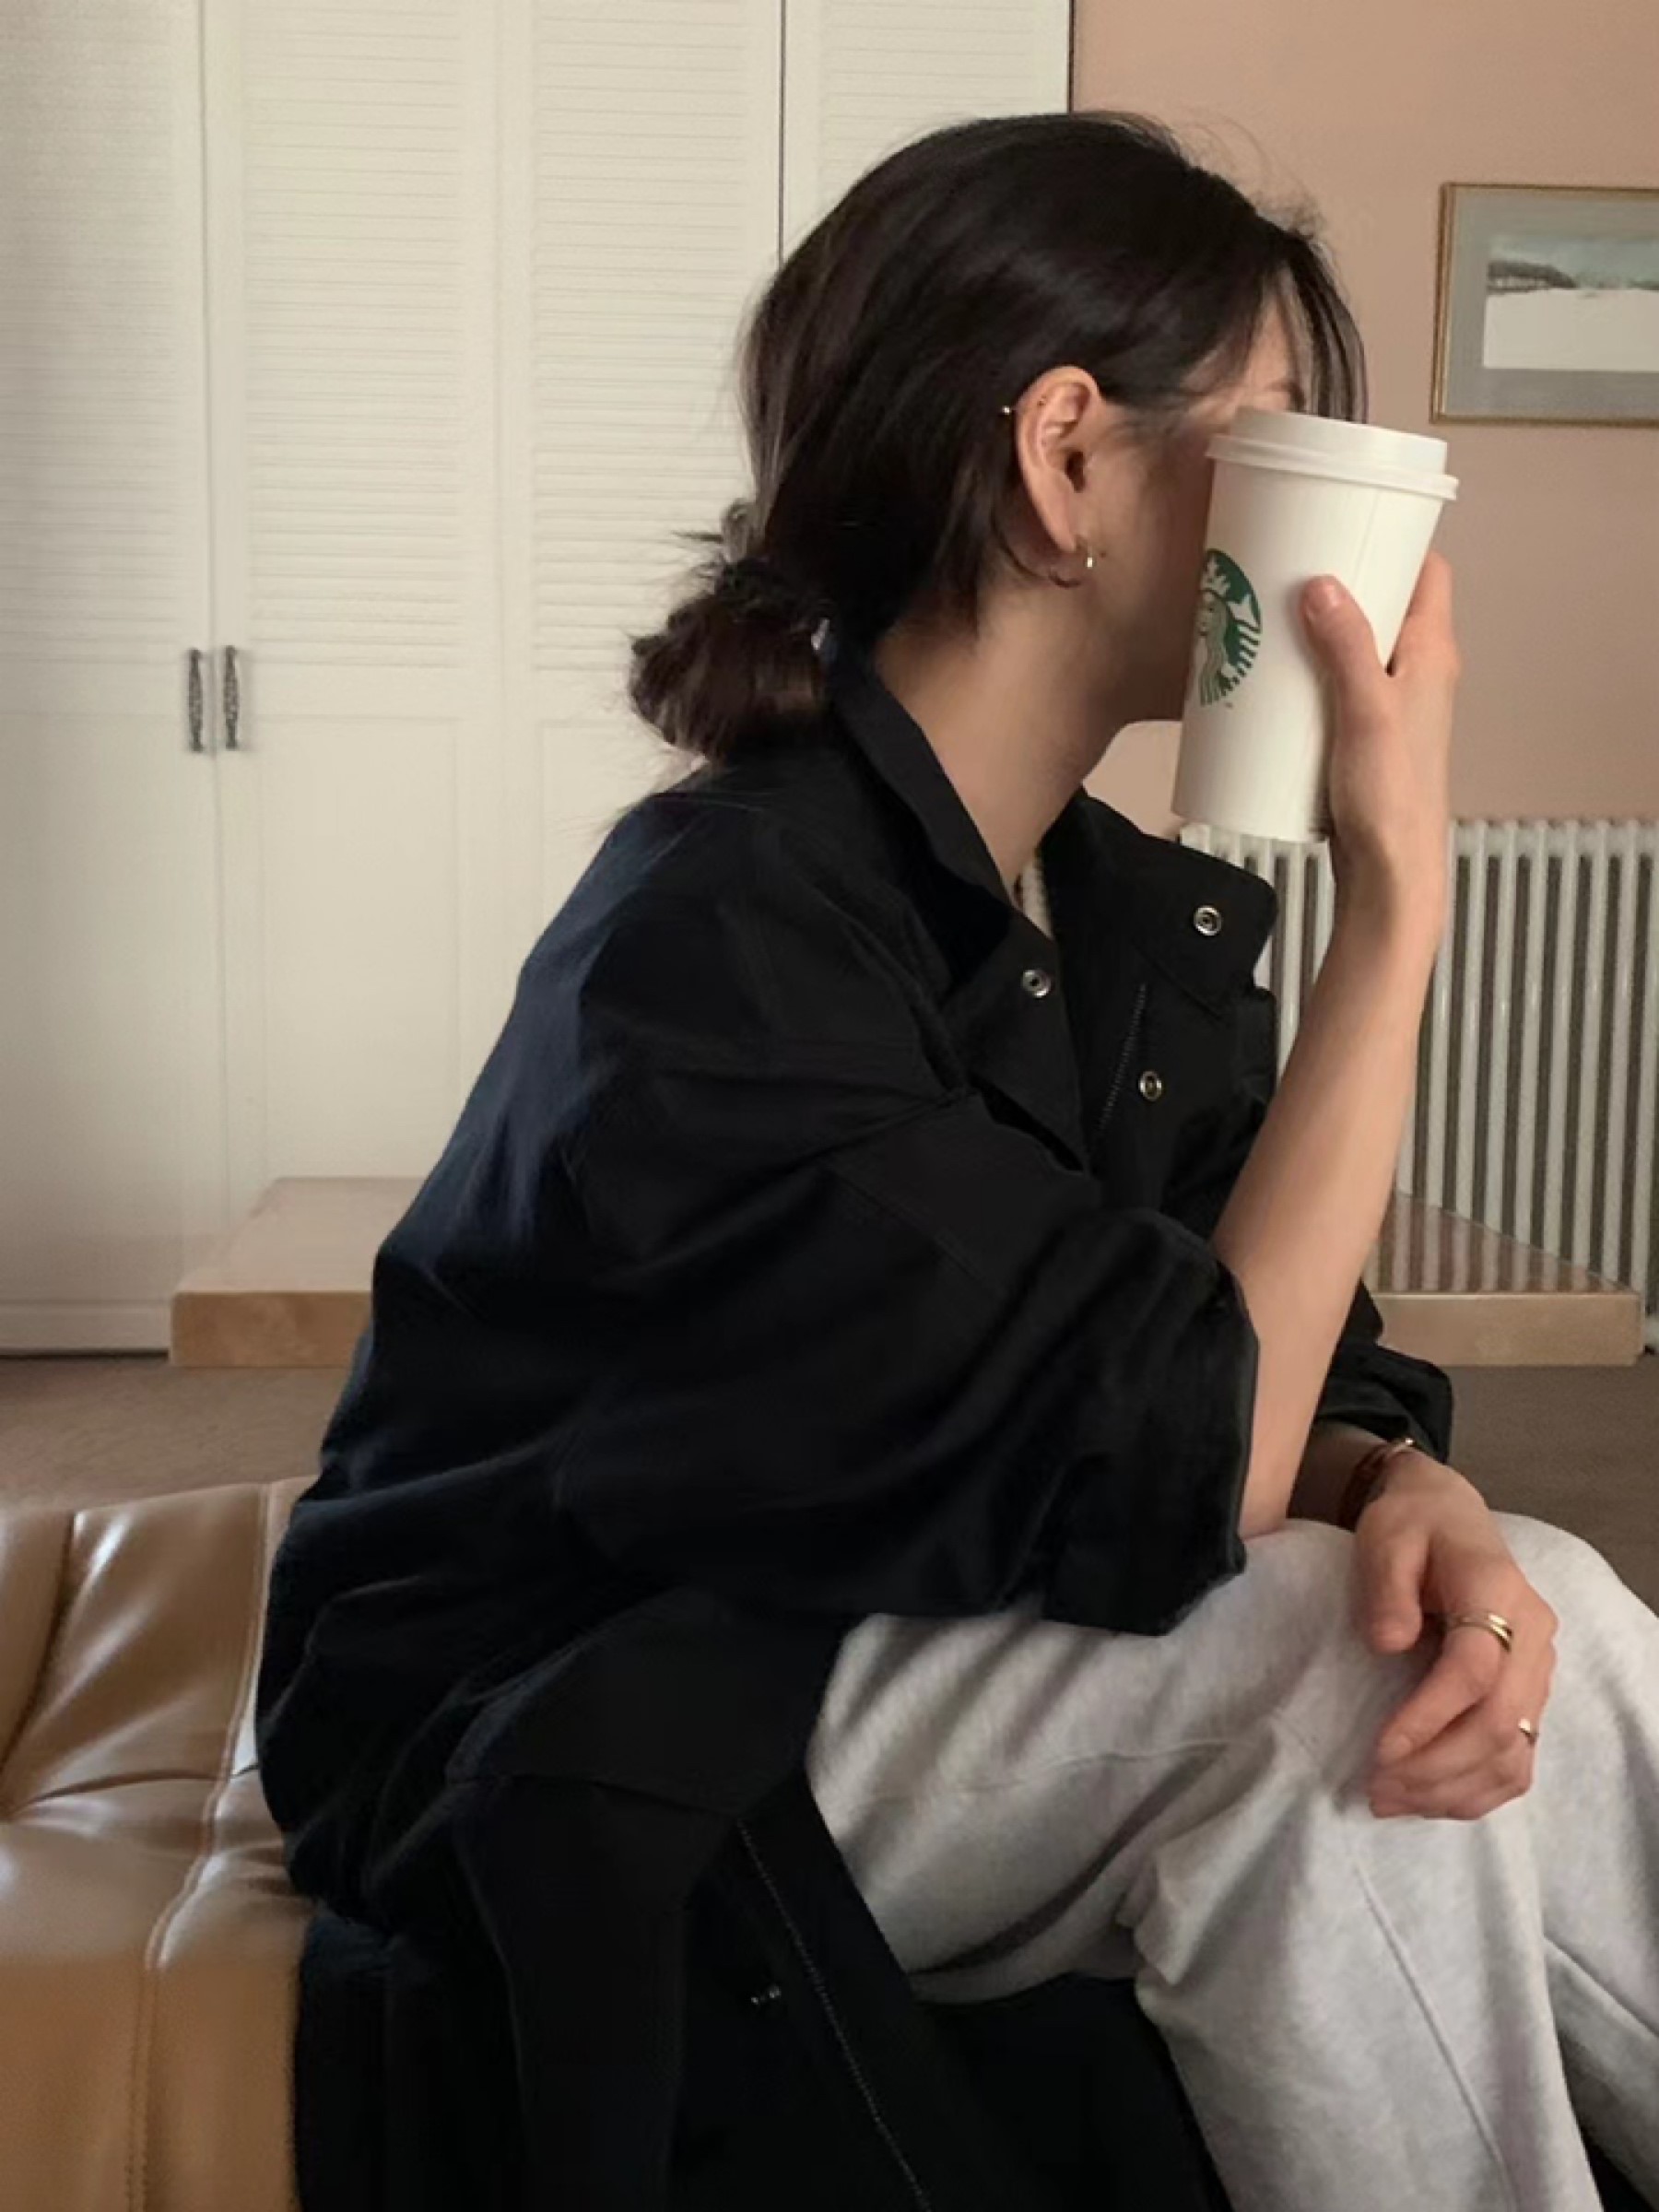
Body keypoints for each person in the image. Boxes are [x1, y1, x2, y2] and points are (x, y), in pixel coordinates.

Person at [255, 112, 1659, 2212]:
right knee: (1331, 1663)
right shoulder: (723, 928)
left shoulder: (1110, 914)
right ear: (1066, 461)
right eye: (1271, 431)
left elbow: (1282, 1366)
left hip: (887, 1610)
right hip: (594, 1687)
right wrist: (1399, 913)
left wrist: (1410, 1487)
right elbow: (1193, 1457)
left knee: (1506, 1622)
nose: (1321, 504)